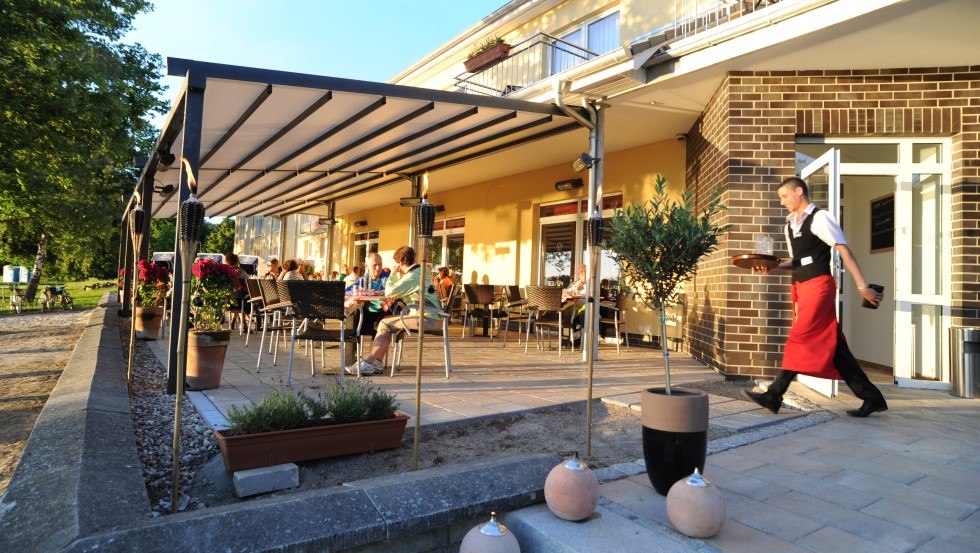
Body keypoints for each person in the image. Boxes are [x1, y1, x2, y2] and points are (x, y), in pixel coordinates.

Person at [744, 176, 887, 418]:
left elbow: (844, 250)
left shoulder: (820, 217)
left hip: (819, 286)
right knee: (834, 344)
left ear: (799, 191)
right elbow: (798, 261)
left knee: (801, 336)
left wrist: (862, 286)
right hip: (800, 287)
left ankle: (775, 393)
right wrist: (773, 266)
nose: (782, 202)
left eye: (785, 196)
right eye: (780, 198)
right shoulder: (789, 224)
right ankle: (872, 397)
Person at [344, 246, 441, 375]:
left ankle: (368, 363)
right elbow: (398, 292)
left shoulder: (413, 276)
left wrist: (394, 275)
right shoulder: (418, 272)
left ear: (401, 262)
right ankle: (377, 363)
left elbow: (391, 291)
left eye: (397, 264)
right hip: (429, 315)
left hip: (427, 317)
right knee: (386, 321)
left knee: (385, 324)